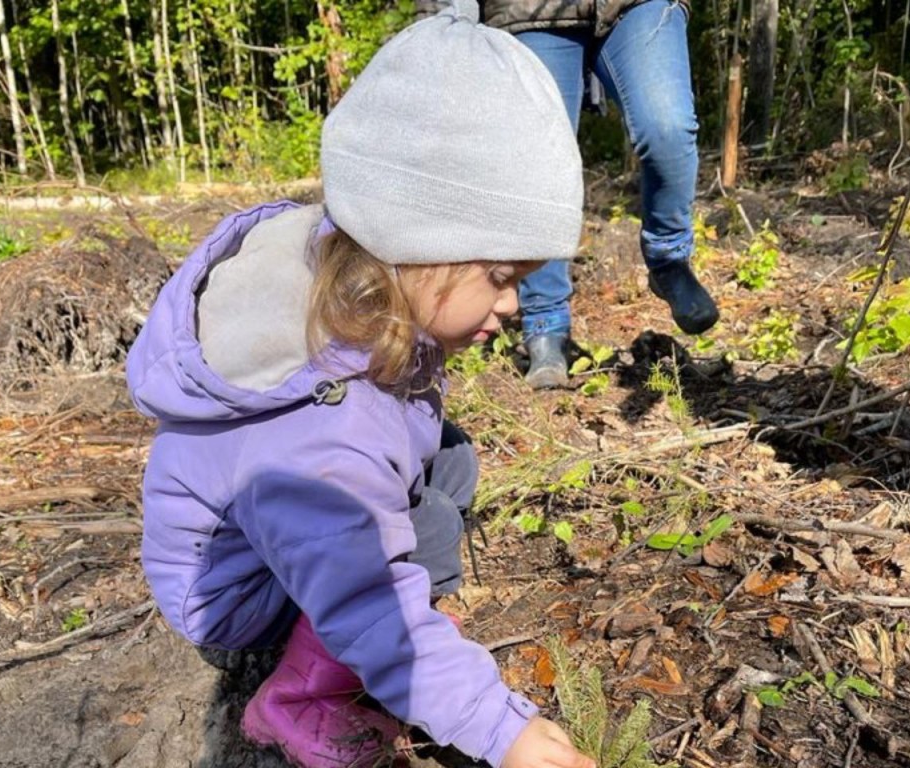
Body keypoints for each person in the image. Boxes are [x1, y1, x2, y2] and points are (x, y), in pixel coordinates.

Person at [125, 3, 596, 768]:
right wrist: (501, 730)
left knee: (450, 462)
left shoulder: (348, 283)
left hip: (264, 532)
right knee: (428, 532)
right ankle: (295, 696)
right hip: (229, 600)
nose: (513, 307)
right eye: (502, 277)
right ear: (415, 247)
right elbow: (371, 602)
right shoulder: (325, 429)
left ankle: (335, 617)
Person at [417, 0, 719, 388]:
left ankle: (668, 260)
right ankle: (546, 322)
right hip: (530, 11)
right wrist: (437, 22)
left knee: (667, 127)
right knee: (540, 155)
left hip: (639, 7)